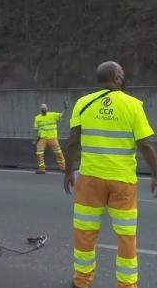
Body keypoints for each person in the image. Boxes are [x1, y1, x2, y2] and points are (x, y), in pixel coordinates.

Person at [64, 61, 157, 288]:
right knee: (126, 237)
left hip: (89, 181)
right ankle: (127, 285)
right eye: (122, 73)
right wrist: (156, 173)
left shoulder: (83, 104)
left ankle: (81, 282)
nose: (123, 76)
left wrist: (68, 171)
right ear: (116, 77)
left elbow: (73, 142)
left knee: (85, 233)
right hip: (122, 182)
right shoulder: (133, 105)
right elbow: (145, 145)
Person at [34, 103, 66, 174]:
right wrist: (36, 139)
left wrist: (65, 109)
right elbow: (36, 130)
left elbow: (61, 115)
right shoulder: (37, 118)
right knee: (39, 154)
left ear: (47, 109)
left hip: (53, 138)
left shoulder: (52, 115)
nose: (44, 110)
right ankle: (42, 170)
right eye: (42, 109)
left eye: (44, 108)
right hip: (42, 138)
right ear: (40, 110)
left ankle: (63, 168)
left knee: (58, 153)